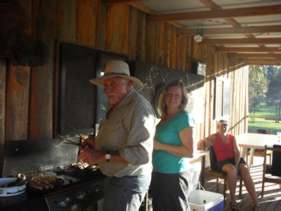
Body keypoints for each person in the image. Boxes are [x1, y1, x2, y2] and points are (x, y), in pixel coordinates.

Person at [78, 60, 157, 211]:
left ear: (129, 84)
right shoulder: (117, 102)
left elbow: (141, 154)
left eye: (113, 84)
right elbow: (119, 138)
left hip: (128, 181)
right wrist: (97, 143)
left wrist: (100, 156)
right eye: (106, 85)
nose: (107, 90)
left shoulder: (139, 109)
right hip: (116, 178)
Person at [151, 80, 194, 211]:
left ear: (182, 99)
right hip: (159, 173)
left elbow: (189, 152)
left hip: (174, 177)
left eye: (177, 95)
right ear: (164, 97)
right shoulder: (164, 118)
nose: (172, 98)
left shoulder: (183, 117)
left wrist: (159, 146)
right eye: (169, 94)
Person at [197, 119, 258, 210]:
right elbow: (201, 144)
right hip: (220, 162)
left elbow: (237, 153)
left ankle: (255, 202)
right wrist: (203, 143)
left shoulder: (232, 137)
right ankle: (233, 201)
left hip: (234, 160)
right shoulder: (213, 137)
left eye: (225, 125)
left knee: (245, 169)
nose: (224, 127)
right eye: (221, 125)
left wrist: (237, 165)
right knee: (232, 170)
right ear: (217, 127)